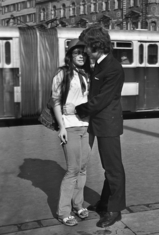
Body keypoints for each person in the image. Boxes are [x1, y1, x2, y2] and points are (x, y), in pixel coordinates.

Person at [65, 24, 126, 228]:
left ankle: (115, 210)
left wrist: (77, 109)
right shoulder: (98, 64)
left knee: (113, 168)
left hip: (108, 123)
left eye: (86, 46)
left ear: (96, 46)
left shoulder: (113, 68)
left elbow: (101, 100)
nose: (83, 50)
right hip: (97, 121)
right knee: (106, 167)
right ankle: (105, 202)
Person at [51, 39, 91, 226]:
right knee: (72, 170)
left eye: (84, 52)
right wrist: (61, 127)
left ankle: (78, 204)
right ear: (70, 55)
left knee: (82, 168)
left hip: (86, 126)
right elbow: (56, 102)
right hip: (70, 127)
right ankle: (63, 212)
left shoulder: (87, 74)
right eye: (77, 53)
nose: (81, 55)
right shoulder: (62, 74)